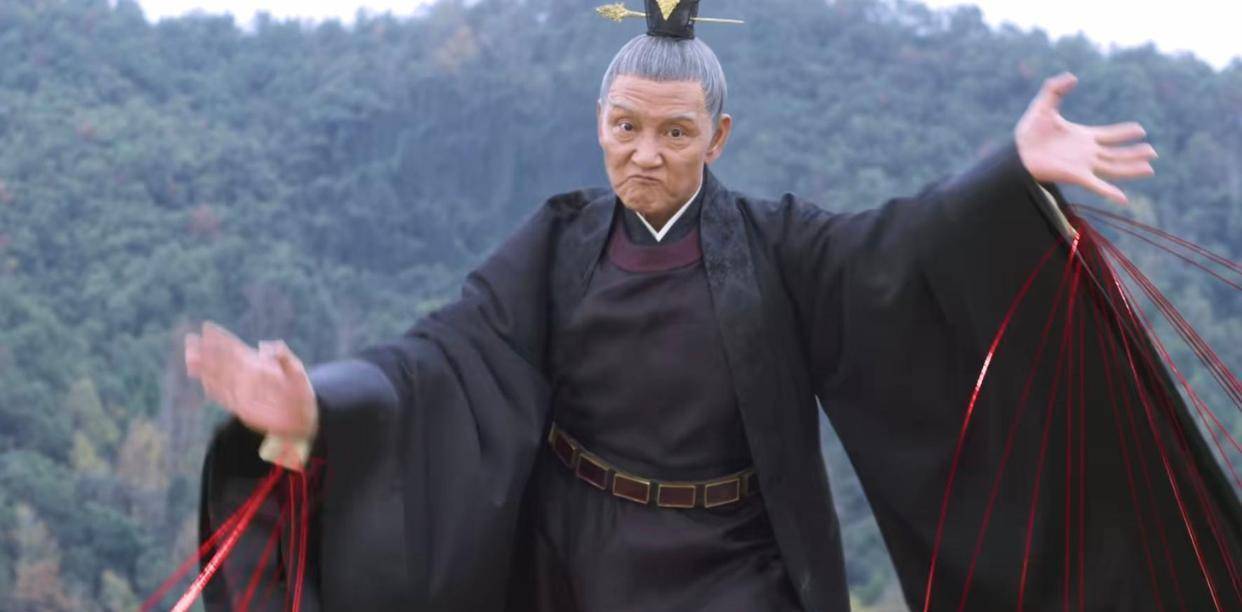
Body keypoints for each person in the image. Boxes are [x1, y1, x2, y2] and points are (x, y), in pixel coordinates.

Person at [185, 1, 1239, 610]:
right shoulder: (556, 244)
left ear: (717, 138)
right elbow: (443, 360)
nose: (646, 153)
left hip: (735, 565)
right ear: (600, 122)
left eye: (675, 132)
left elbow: (900, 249)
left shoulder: (778, 244)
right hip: (579, 562)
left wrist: (1007, 174)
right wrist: (318, 405)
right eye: (627, 127)